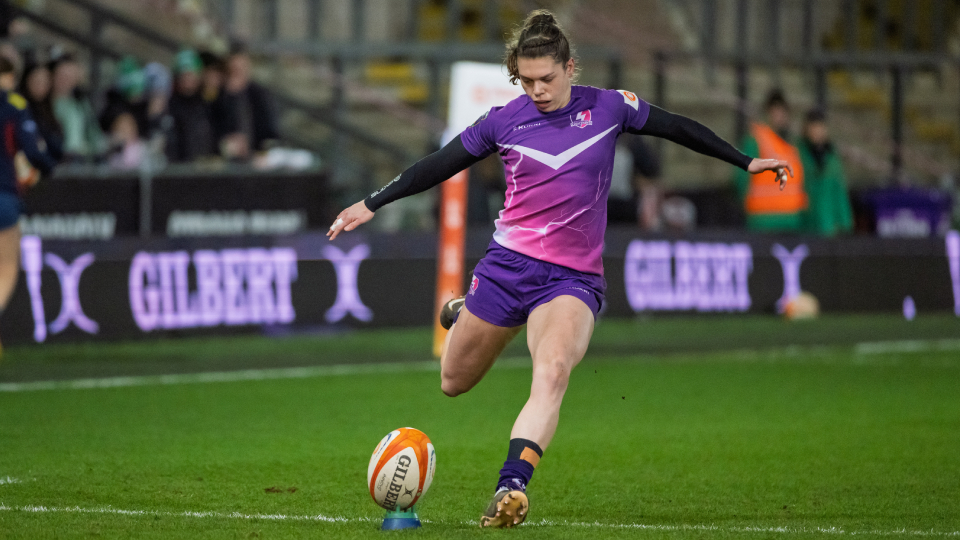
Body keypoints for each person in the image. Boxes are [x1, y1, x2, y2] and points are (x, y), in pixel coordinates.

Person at [327, 9, 791, 528]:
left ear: (571, 67)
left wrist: (744, 161)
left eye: (546, 78)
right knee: (453, 381)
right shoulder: (504, 120)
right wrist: (373, 202)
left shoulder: (611, 108)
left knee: (551, 372)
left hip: (571, 281)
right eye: (525, 80)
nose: (537, 89)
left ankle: (511, 487)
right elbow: (439, 163)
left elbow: (676, 127)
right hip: (507, 269)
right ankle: (466, 312)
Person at [0, 56, 56, 356]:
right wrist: (49, 166)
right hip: (3, 194)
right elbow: (32, 150)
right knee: (6, 266)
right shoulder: (13, 104)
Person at [734, 89, 807, 232]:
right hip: (763, 219)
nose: (779, 116)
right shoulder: (756, 140)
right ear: (767, 112)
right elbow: (740, 178)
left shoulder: (793, 145)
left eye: (782, 111)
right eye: (775, 111)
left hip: (792, 220)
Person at [211, 43, 278, 160]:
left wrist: (260, 150)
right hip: (223, 160)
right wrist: (222, 143)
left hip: (254, 159)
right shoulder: (218, 95)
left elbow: (270, 130)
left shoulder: (258, 94)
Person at [798, 108, 853, 236]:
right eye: (813, 127)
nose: (817, 131)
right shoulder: (797, 153)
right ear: (806, 129)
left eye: (820, 127)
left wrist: (845, 222)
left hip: (829, 226)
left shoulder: (832, 157)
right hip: (805, 225)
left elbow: (839, 190)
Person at [50, 53, 106, 162]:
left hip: (79, 159)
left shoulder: (81, 103)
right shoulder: (46, 103)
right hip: (57, 159)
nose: (65, 80)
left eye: (70, 76)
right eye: (62, 76)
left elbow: (93, 132)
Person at [167, 49, 215, 162]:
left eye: (191, 74)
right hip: (180, 168)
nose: (187, 79)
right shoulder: (170, 106)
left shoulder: (208, 104)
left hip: (204, 167)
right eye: (184, 75)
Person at [18, 58, 64, 160]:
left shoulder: (49, 108)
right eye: (37, 81)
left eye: (45, 81)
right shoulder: (20, 108)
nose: (41, 86)